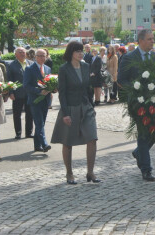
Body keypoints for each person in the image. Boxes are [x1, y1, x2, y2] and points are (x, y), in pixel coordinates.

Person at [51, 41, 100, 184]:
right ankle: (69, 174)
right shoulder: (64, 69)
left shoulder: (86, 66)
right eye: (77, 51)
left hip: (86, 107)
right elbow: (62, 93)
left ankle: (90, 172)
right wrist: (65, 113)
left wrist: (91, 106)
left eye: (82, 51)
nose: (81, 53)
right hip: (71, 108)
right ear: (71, 53)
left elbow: (88, 89)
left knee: (92, 138)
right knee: (68, 142)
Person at [118, 29, 155, 181]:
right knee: (143, 134)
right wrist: (136, 90)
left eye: (153, 39)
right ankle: (146, 169)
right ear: (141, 41)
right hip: (137, 102)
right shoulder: (129, 58)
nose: (152, 41)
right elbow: (121, 79)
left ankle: (138, 153)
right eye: (149, 39)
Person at [23, 49, 52, 152]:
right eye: (39, 56)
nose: (42, 58)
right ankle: (44, 144)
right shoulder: (29, 69)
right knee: (39, 123)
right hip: (35, 100)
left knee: (41, 123)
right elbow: (26, 86)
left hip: (45, 100)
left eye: (44, 56)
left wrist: (53, 88)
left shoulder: (47, 68)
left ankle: (37, 145)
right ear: (35, 57)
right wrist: (38, 92)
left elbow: (49, 83)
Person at [7, 47, 34, 139]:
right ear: (16, 54)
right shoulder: (11, 65)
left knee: (30, 113)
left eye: (24, 52)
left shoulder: (31, 63)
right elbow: (9, 80)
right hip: (17, 93)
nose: (23, 53)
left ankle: (29, 132)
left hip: (29, 93)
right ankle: (18, 132)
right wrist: (11, 92)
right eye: (20, 52)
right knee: (17, 114)